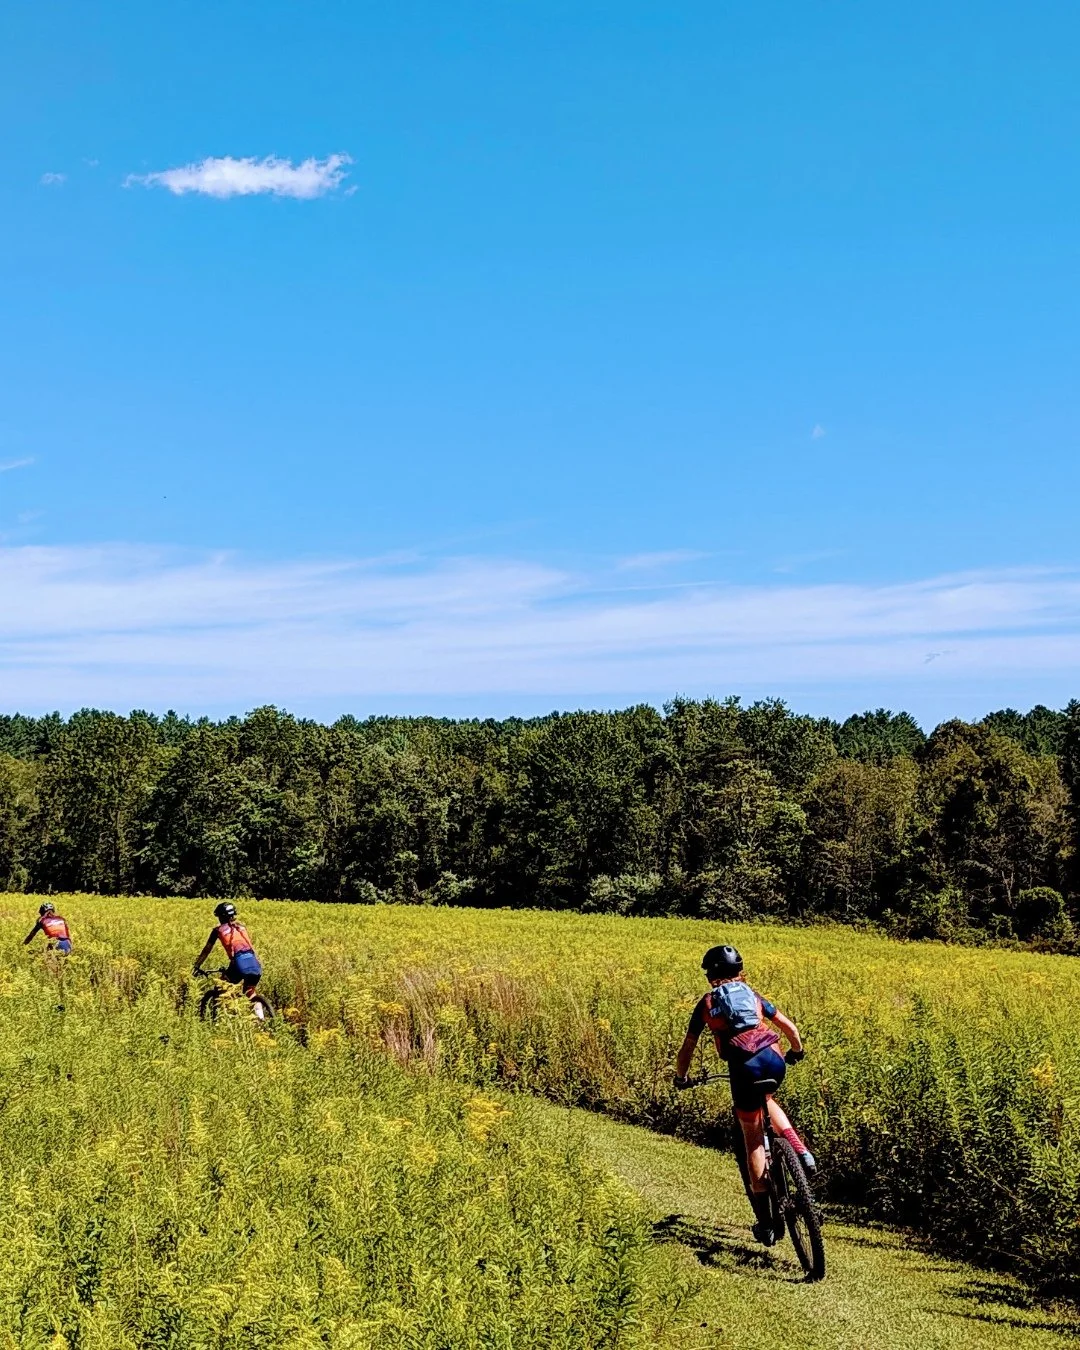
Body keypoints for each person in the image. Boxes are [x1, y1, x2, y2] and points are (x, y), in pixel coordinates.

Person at [674, 943, 814, 1246]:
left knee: (752, 1139)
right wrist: (797, 1052)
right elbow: (789, 1028)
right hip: (774, 1059)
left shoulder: (708, 1002)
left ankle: (765, 1224)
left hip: (744, 1067)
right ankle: (801, 1151)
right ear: (740, 971)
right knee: (769, 1099)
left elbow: (687, 1048)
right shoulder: (751, 995)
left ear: (711, 975)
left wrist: (681, 1078)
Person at [192, 902, 263, 996]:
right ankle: (260, 1010)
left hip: (238, 964)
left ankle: (228, 1009)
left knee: (221, 988)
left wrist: (197, 966)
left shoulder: (217, 930)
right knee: (250, 994)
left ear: (221, 917)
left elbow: (206, 950)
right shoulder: (241, 928)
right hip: (254, 963)